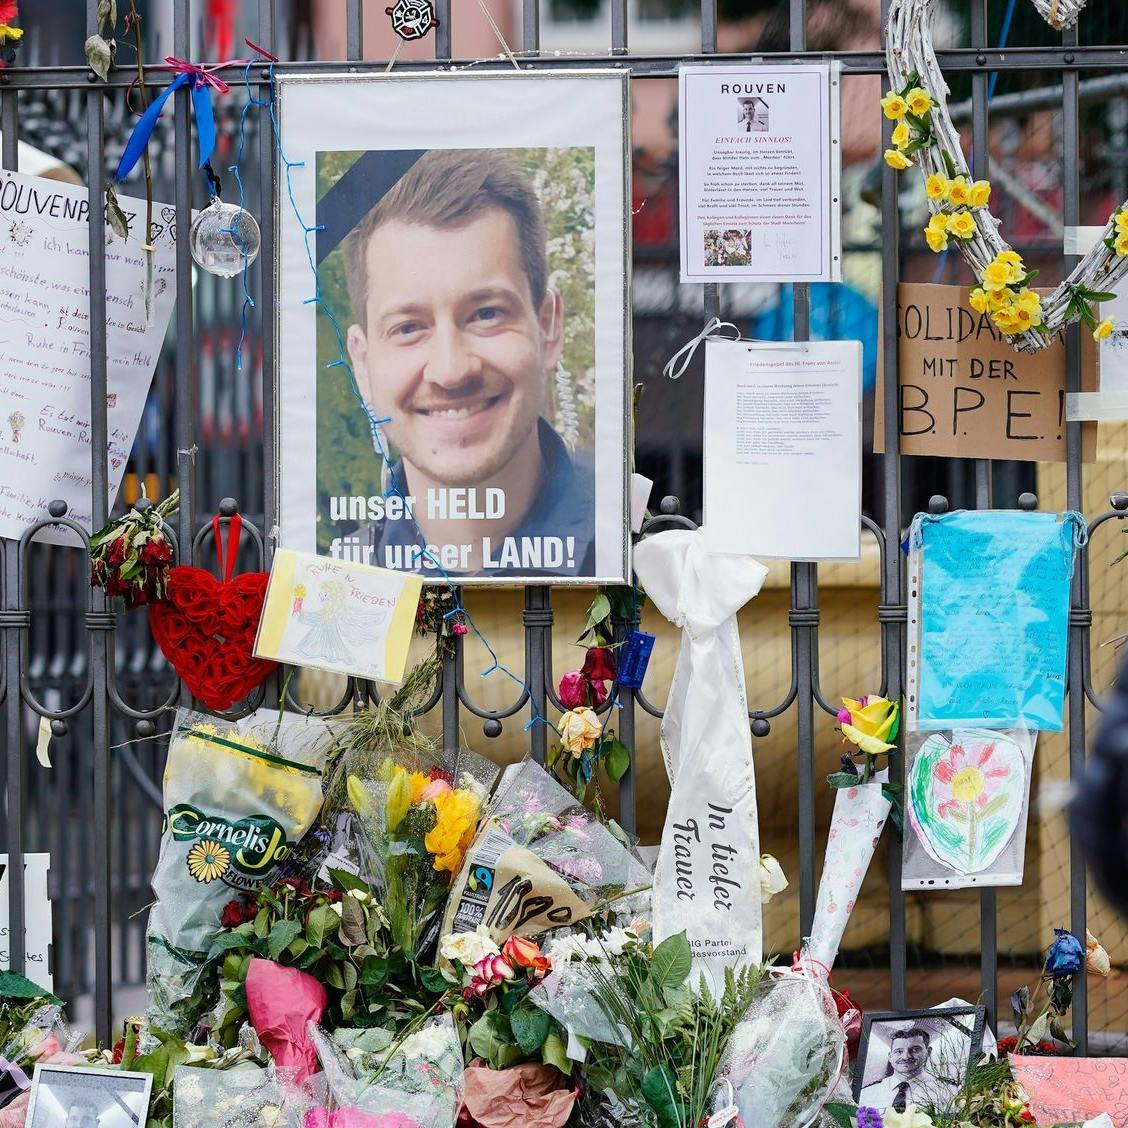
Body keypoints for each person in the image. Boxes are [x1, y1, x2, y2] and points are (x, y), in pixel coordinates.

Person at [342, 149, 595, 578]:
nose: (451, 369)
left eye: (486, 314)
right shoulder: (332, 584)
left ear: (548, 328)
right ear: (362, 365)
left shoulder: (646, 563)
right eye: (408, 328)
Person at [859, 1028, 955, 1112]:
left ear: (928, 1052)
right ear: (890, 1056)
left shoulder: (949, 1091)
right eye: (899, 1051)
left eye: (915, 1050)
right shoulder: (867, 1093)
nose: (905, 1056)